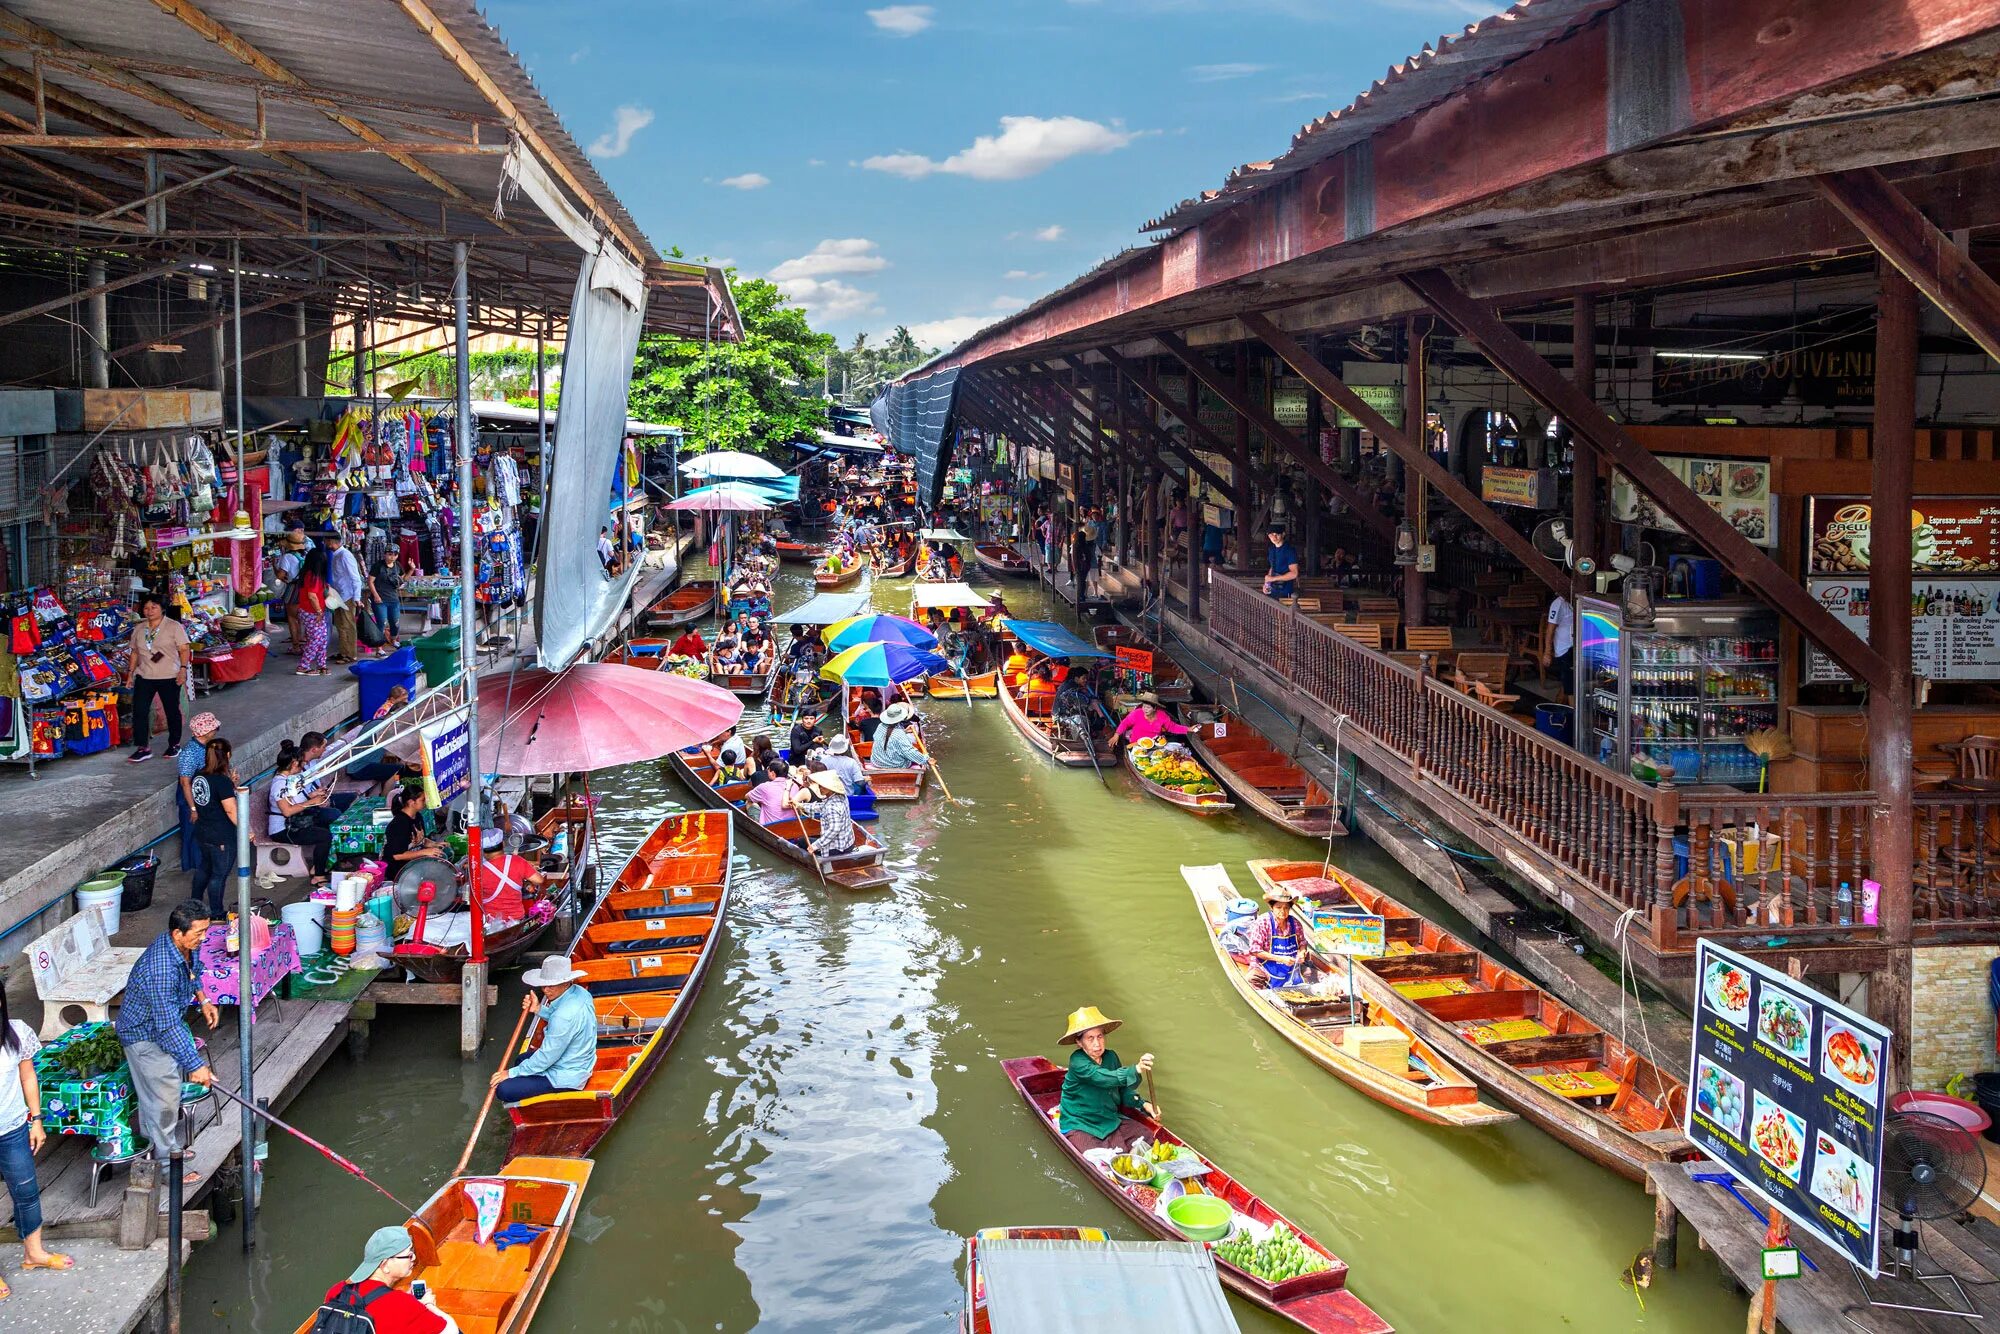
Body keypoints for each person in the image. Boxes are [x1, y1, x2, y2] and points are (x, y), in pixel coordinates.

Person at [115, 901, 218, 1191]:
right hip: (144, 1035)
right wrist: (196, 1065)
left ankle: (162, 1147)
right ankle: (166, 1168)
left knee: (160, 1095)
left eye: (205, 931)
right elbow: (167, 1026)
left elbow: (193, 970)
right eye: (198, 933)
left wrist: (203, 998)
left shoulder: (185, 948)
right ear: (177, 933)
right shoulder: (160, 969)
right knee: (164, 1101)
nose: (203, 938)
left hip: (160, 1027)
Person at [0, 986, 71, 1295]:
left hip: (13, 1128)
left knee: (27, 1192)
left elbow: (28, 1077)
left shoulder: (15, 1033)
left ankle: (34, 1253)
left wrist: (37, 1120)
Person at [313, 1225, 458, 1334]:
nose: (413, 1258)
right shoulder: (400, 1303)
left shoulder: (337, 1290)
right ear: (385, 1265)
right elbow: (450, 1330)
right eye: (408, 1255)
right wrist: (427, 1305)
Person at [491, 957, 596, 1103]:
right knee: (521, 1059)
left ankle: (537, 1100)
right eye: (543, 985)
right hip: (579, 1062)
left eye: (551, 986)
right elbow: (561, 1021)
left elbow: (547, 1057)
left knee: (503, 1089)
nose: (546, 990)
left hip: (566, 1077)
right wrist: (539, 1009)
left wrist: (511, 1073)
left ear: (565, 983)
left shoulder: (564, 1016)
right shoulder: (580, 993)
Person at [1056, 1006, 1157, 1153]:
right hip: (1081, 1123)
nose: (1097, 1044)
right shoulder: (1077, 1061)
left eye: (1100, 1036)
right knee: (1104, 1154)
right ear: (1079, 1042)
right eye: (1090, 1038)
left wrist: (1144, 1105)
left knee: (1147, 1136)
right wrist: (1135, 1069)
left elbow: (1122, 1089)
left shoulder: (1111, 1057)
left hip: (1109, 1119)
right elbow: (1101, 1077)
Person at [123, 591, 190, 763]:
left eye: (154, 607)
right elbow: (135, 653)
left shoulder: (174, 627)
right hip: (145, 675)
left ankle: (174, 743)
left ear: (162, 609)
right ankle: (143, 747)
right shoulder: (139, 628)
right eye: (146, 607)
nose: (149, 610)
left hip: (169, 675)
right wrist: (130, 673)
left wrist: (183, 669)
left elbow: (184, 649)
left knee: (172, 710)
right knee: (140, 711)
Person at [268, 741, 334, 887]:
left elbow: (295, 800)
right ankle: (318, 875)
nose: (303, 766)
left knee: (330, 821)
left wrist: (312, 795)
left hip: (296, 823)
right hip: (283, 830)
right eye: (301, 763)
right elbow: (287, 811)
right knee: (325, 836)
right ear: (293, 763)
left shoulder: (288, 779)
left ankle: (323, 864)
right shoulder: (279, 784)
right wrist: (311, 802)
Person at [188, 737, 239, 918]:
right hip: (221, 835)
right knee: (219, 874)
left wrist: (231, 783)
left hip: (203, 831)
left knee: (205, 868)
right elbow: (231, 810)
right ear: (226, 755)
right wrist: (246, 829)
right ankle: (216, 912)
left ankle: (194, 904)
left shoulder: (198, 777)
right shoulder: (220, 781)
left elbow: (211, 800)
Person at [174, 711, 222, 871]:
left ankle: (204, 863)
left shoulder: (207, 747)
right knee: (192, 833)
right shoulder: (189, 753)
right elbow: (185, 783)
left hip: (203, 797)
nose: (216, 731)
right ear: (207, 732)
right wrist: (193, 808)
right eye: (214, 729)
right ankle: (194, 866)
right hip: (191, 800)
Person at [1246, 883, 1312, 989]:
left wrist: (1302, 952)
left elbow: (1302, 943)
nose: (1282, 911)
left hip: (1291, 966)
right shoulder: (1262, 923)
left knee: (1310, 976)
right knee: (1252, 978)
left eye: (1286, 908)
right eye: (1278, 907)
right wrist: (1281, 959)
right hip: (1265, 966)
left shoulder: (1295, 923)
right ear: (1271, 907)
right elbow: (1255, 950)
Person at [791, 770, 856, 858]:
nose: (820, 788)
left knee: (801, 841)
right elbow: (822, 806)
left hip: (837, 849)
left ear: (830, 788)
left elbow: (834, 830)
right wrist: (801, 805)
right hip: (848, 844)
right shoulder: (841, 797)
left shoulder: (832, 806)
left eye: (822, 787)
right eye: (820, 786)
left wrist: (815, 846)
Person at [325, 530, 366, 663]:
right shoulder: (337, 555)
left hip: (347, 596)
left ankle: (350, 654)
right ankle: (343, 652)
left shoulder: (345, 555)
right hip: (338, 595)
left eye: (326, 541)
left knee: (348, 625)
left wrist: (357, 598)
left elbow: (356, 578)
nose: (325, 543)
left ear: (331, 542)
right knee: (340, 624)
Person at [384, 787, 446, 868]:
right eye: (422, 800)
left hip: (415, 863)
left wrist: (435, 844)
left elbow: (420, 840)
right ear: (411, 802)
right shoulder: (398, 824)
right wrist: (425, 852)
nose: (425, 802)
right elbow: (397, 855)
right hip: (400, 869)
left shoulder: (417, 816)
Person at [294, 543, 331, 676]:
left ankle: (322, 664)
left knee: (322, 638)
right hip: (313, 612)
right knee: (316, 639)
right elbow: (312, 596)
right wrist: (319, 612)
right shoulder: (314, 576)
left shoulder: (307, 573)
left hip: (308, 611)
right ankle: (303, 666)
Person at [271, 528, 308, 655]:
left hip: (293, 588)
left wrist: (274, 567)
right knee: (303, 617)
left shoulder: (287, 557)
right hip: (305, 587)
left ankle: (296, 646)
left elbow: (281, 576)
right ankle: (304, 639)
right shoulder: (305, 555)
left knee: (292, 618)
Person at [1110, 693, 1190, 749]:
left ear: (1154, 708)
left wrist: (1188, 729)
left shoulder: (1162, 715)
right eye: (1144, 707)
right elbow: (1125, 723)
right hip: (1137, 744)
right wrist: (1116, 735)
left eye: (1148, 707)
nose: (1145, 709)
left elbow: (1172, 727)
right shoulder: (1137, 713)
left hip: (1155, 744)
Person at [872, 702, 929, 771]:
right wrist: (926, 759)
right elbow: (909, 752)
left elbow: (891, 734)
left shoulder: (880, 726)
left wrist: (904, 731)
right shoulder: (899, 734)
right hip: (896, 766)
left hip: (877, 763)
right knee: (909, 756)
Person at [1540, 590, 1576, 700]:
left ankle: (1559, 707)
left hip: (1577, 646)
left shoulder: (1575, 602)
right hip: (1565, 649)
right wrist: (1547, 652)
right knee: (1570, 688)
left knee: (1571, 683)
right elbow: (1550, 630)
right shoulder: (1558, 603)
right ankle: (1573, 715)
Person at [368, 549, 404, 650]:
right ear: (385, 554)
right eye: (389, 554)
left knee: (395, 622)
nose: (392, 557)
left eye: (395, 555)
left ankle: (393, 640)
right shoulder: (378, 566)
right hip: (380, 600)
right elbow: (370, 581)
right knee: (381, 623)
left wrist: (411, 569)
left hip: (393, 598)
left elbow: (402, 580)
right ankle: (379, 648)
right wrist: (376, 595)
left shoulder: (398, 566)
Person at [744, 760, 793, 826]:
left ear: (773, 773)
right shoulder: (794, 785)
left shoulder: (765, 786)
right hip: (792, 824)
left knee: (749, 802)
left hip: (772, 826)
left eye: (768, 769)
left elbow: (747, 797)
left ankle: (758, 826)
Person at [1262, 523, 1299, 601]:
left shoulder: (1289, 550)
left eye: (1277, 534)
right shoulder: (1271, 549)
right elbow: (1272, 567)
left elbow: (1294, 574)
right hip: (1272, 589)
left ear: (1283, 534)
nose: (1274, 537)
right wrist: (1266, 584)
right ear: (1268, 536)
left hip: (1285, 592)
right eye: (1271, 535)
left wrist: (1273, 579)